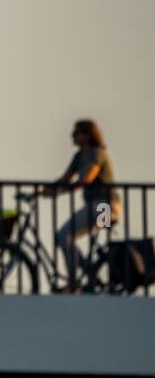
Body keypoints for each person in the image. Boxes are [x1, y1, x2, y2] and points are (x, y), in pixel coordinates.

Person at [36, 119, 120, 292]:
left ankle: (74, 284)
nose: (73, 136)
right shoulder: (79, 156)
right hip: (96, 205)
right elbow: (65, 178)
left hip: (105, 206)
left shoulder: (97, 153)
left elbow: (86, 179)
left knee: (64, 235)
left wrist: (58, 192)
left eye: (77, 132)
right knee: (66, 237)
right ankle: (88, 272)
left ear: (88, 135)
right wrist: (46, 189)